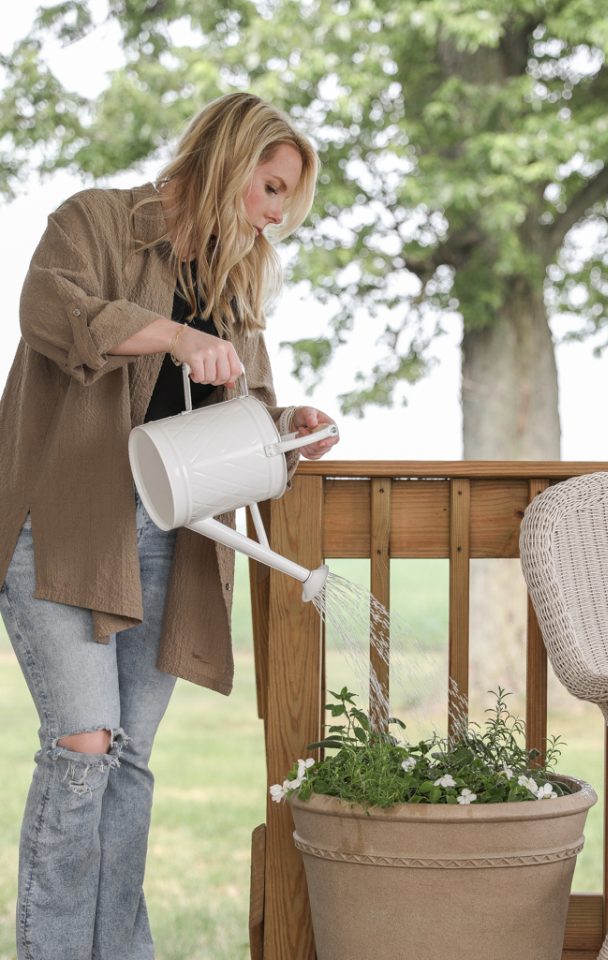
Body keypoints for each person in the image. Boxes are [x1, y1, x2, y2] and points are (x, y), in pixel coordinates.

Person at [0, 92, 338, 960]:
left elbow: (245, 407)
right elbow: (49, 310)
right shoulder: (95, 221)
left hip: (170, 541)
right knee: (83, 748)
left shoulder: (234, 280)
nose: (275, 216)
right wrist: (174, 338)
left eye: (286, 201)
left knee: (127, 760)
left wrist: (288, 424)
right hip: (65, 528)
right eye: (271, 189)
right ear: (228, 159)